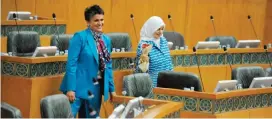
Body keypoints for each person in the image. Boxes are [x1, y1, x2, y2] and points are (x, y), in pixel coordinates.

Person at [59, 5, 116, 118]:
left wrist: (111, 89)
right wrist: (71, 88)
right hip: (77, 89)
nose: (100, 23)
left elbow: (108, 66)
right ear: (88, 22)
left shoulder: (106, 40)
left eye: (102, 20)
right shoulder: (80, 37)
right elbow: (71, 64)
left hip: (94, 91)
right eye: (96, 20)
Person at [135, 16, 173, 87]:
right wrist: (143, 63)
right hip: (153, 85)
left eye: (162, 29)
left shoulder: (163, 40)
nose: (161, 32)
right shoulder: (144, 44)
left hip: (168, 82)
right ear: (151, 28)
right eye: (158, 29)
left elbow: (169, 62)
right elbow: (141, 72)